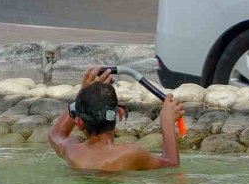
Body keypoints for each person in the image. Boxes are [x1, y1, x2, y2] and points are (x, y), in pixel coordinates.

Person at [48, 67, 184, 171]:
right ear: (119, 113)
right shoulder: (130, 154)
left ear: (78, 122)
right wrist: (167, 122)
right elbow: (171, 166)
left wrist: (82, 94)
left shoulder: (72, 151)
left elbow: (55, 134)